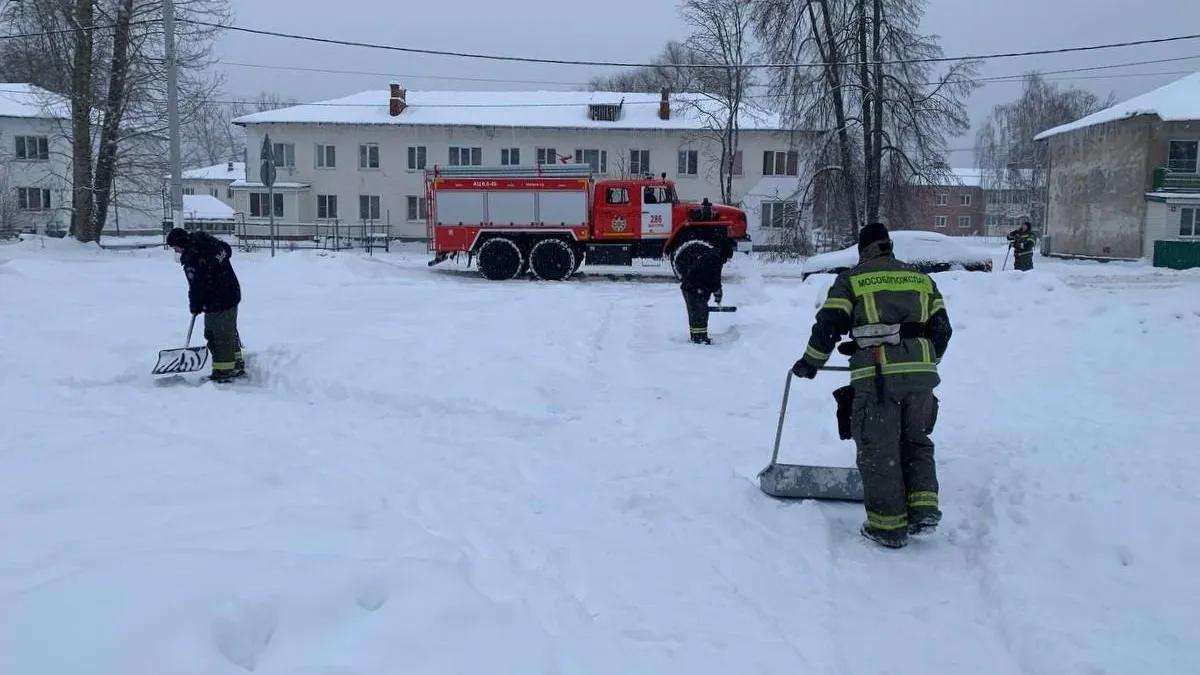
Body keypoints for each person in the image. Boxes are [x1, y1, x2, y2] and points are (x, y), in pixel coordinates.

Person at [791, 222, 953, 549]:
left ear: (862, 249)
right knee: (916, 441)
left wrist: (811, 362)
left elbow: (829, 325)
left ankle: (887, 527)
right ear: (889, 245)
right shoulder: (921, 278)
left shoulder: (853, 280)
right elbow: (942, 330)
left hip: (879, 375)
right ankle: (922, 509)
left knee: (879, 449)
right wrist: (923, 360)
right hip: (922, 375)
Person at [166, 227, 245, 382]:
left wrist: (195, 304)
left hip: (218, 298)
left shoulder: (194, 257)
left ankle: (223, 371)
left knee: (217, 334)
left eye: (176, 248)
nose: (177, 251)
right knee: (226, 330)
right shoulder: (209, 242)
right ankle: (236, 362)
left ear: (181, 243)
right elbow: (226, 251)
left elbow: (197, 285)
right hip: (230, 292)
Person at [679, 247, 724, 345]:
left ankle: (696, 336)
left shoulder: (708, 256)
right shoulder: (715, 260)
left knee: (695, 313)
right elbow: (715, 281)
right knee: (700, 313)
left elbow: (710, 279)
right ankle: (700, 339)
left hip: (689, 287)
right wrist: (718, 294)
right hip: (694, 289)